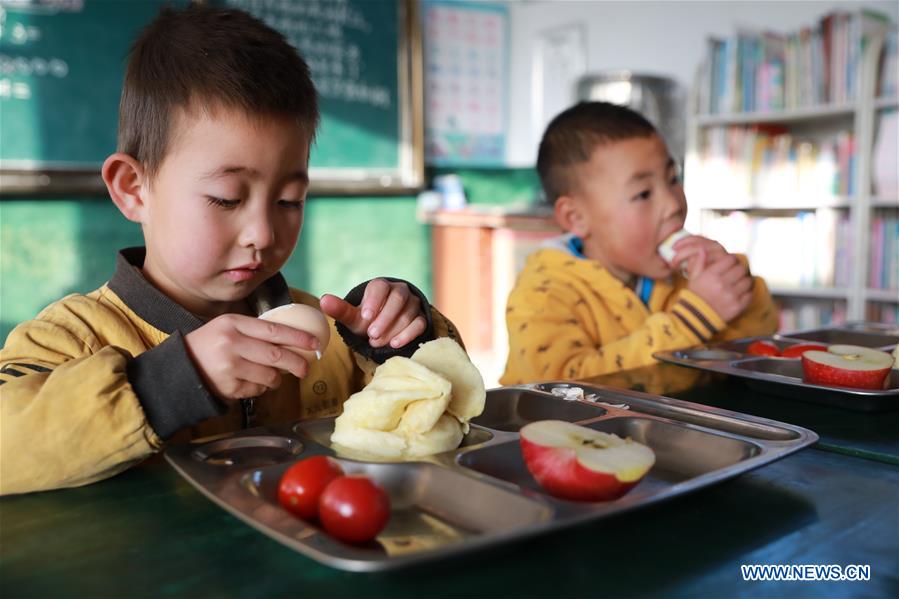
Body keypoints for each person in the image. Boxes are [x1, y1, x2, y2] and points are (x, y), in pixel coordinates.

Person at [0, 5, 461, 495]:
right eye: (226, 198)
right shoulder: (72, 338)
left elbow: (448, 416)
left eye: (289, 200)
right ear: (134, 189)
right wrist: (174, 382)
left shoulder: (328, 338)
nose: (261, 233)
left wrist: (402, 342)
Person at [501, 102, 778, 385]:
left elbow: (755, 348)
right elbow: (557, 390)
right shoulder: (542, 294)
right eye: (643, 194)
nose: (672, 204)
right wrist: (692, 319)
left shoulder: (686, 276)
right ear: (576, 217)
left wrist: (735, 284)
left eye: (673, 179)